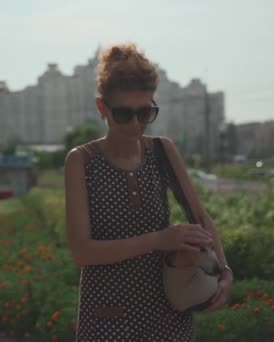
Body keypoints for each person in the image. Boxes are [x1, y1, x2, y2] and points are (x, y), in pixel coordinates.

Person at [64, 43, 233, 341]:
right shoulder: (81, 161)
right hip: (107, 320)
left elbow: (200, 218)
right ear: (101, 107)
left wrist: (224, 272)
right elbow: (82, 252)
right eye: (124, 114)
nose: (136, 124)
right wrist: (159, 240)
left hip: (168, 318)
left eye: (145, 112)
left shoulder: (162, 150)